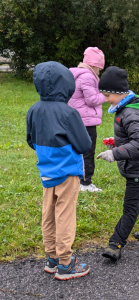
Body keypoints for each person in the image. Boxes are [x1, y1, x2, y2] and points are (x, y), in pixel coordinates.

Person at [26, 61, 92, 280]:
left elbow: (30, 140)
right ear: (66, 84)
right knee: (64, 215)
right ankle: (65, 264)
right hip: (67, 171)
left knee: (49, 213)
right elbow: (84, 145)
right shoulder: (69, 113)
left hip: (46, 170)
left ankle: (52, 258)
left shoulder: (33, 110)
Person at [96, 67, 139, 261]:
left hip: (138, 166)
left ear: (119, 93)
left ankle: (115, 243)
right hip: (137, 165)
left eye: (108, 95)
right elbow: (133, 136)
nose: (106, 99)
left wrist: (115, 153)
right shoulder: (125, 109)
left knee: (131, 207)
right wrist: (117, 142)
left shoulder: (130, 112)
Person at [69, 47, 106, 192]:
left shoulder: (79, 74)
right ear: (95, 65)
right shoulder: (88, 76)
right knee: (88, 151)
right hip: (86, 121)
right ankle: (85, 182)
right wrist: (107, 96)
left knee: (78, 150)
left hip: (79, 120)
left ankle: (77, 179)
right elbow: (92, 99)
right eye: (99, 68)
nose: (100, 71)